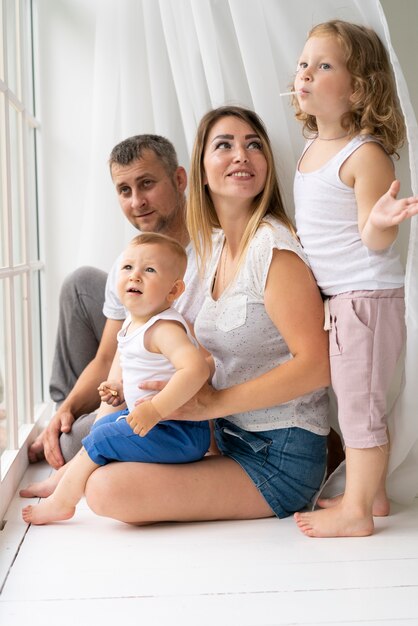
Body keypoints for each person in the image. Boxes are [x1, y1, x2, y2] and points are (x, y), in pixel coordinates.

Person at [72, 105, 330, 526]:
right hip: (225, 439)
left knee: (105, 490)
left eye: (253, 146)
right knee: (104, 452)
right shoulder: (214, 254)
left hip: (280, 457)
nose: (241, 155)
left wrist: (210, 403)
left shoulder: (274, 249)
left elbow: (318, 365)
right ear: (201, 174)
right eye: (224, 145)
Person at [291, 20, 418, 538]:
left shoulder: (364, 153)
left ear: (358, 87)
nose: (305, 74)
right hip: (342, 300)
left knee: (361, 405)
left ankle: (357, 512)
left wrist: (382, 223)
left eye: (323, 66)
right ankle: (375, 495)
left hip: (364, 298)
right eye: (303, 64)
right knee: (356, 400)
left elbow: (371, 237)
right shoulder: (310, 152)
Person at [29, 134, 202, 469]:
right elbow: (107, 355)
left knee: (71, 447)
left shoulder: (209, 252)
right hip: (126, 382)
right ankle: (60, 417)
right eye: (125, 190)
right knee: (80, 283)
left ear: (179, 179)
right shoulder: (128, 265)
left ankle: (66, 434)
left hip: (171, 408)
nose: (137, 201)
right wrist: (68, 408)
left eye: (147, 184)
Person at [21, 233, 211, 524]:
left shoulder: (164, 329)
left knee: (104, 436)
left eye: (149, 270)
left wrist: (157, 408)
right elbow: (153, 372)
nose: (135, 275)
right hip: (158, 424)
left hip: (181, 434)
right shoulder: (135, 324)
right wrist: (122, 390)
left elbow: (195, 369)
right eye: (127, 268)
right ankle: (62, 480)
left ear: (173, 291)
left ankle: (63, 501)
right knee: (104, 425)